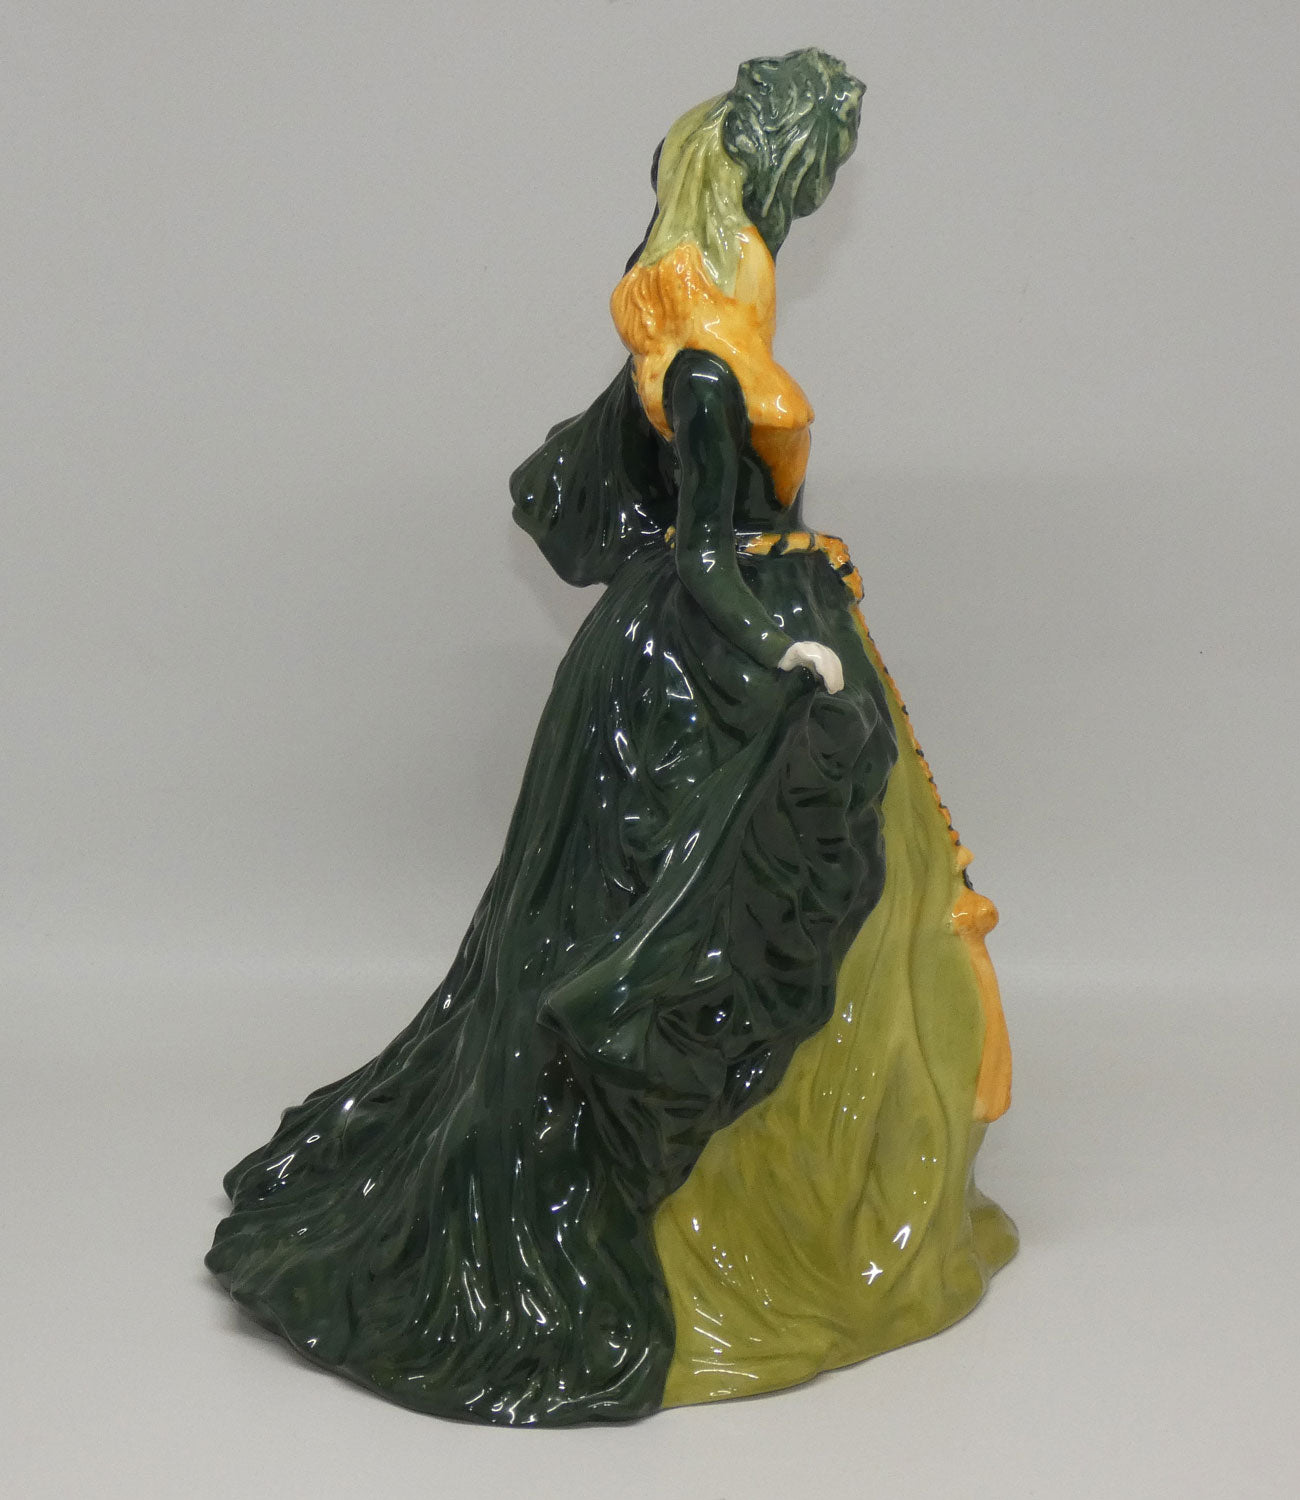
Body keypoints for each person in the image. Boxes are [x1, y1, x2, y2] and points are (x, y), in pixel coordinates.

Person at [207, 48, 1015, 1427]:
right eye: (815, 162)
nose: (820, 187)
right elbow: (701, 550)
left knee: (853, 904)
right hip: (706, 656)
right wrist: (783, 645)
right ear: (770, 169)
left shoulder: (726, 305)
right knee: (694, 912)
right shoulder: (699, 355)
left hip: (755, 621)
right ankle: (686, 1205)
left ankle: (807, 1184)